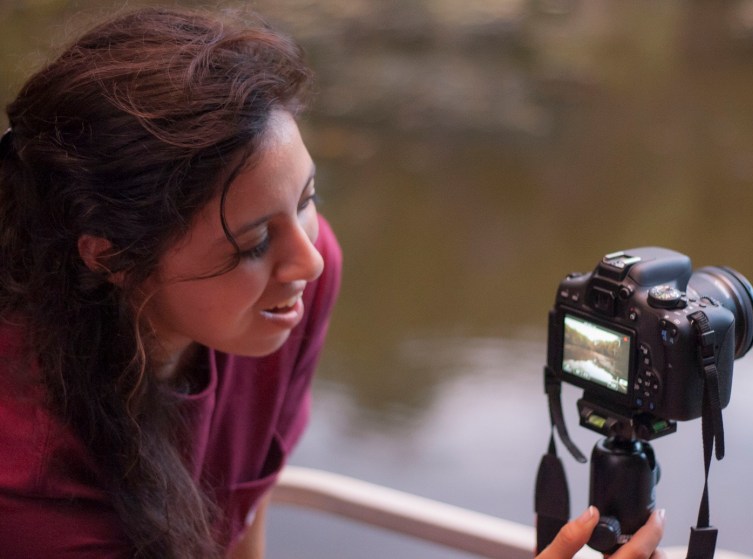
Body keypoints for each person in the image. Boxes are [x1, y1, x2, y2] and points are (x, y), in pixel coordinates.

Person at [0, 7, 664, 559]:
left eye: (308, 197)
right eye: (254, 243)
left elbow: (242, 507)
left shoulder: (288, 295)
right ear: (110, 257)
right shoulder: (26, 471)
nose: (309, 261)